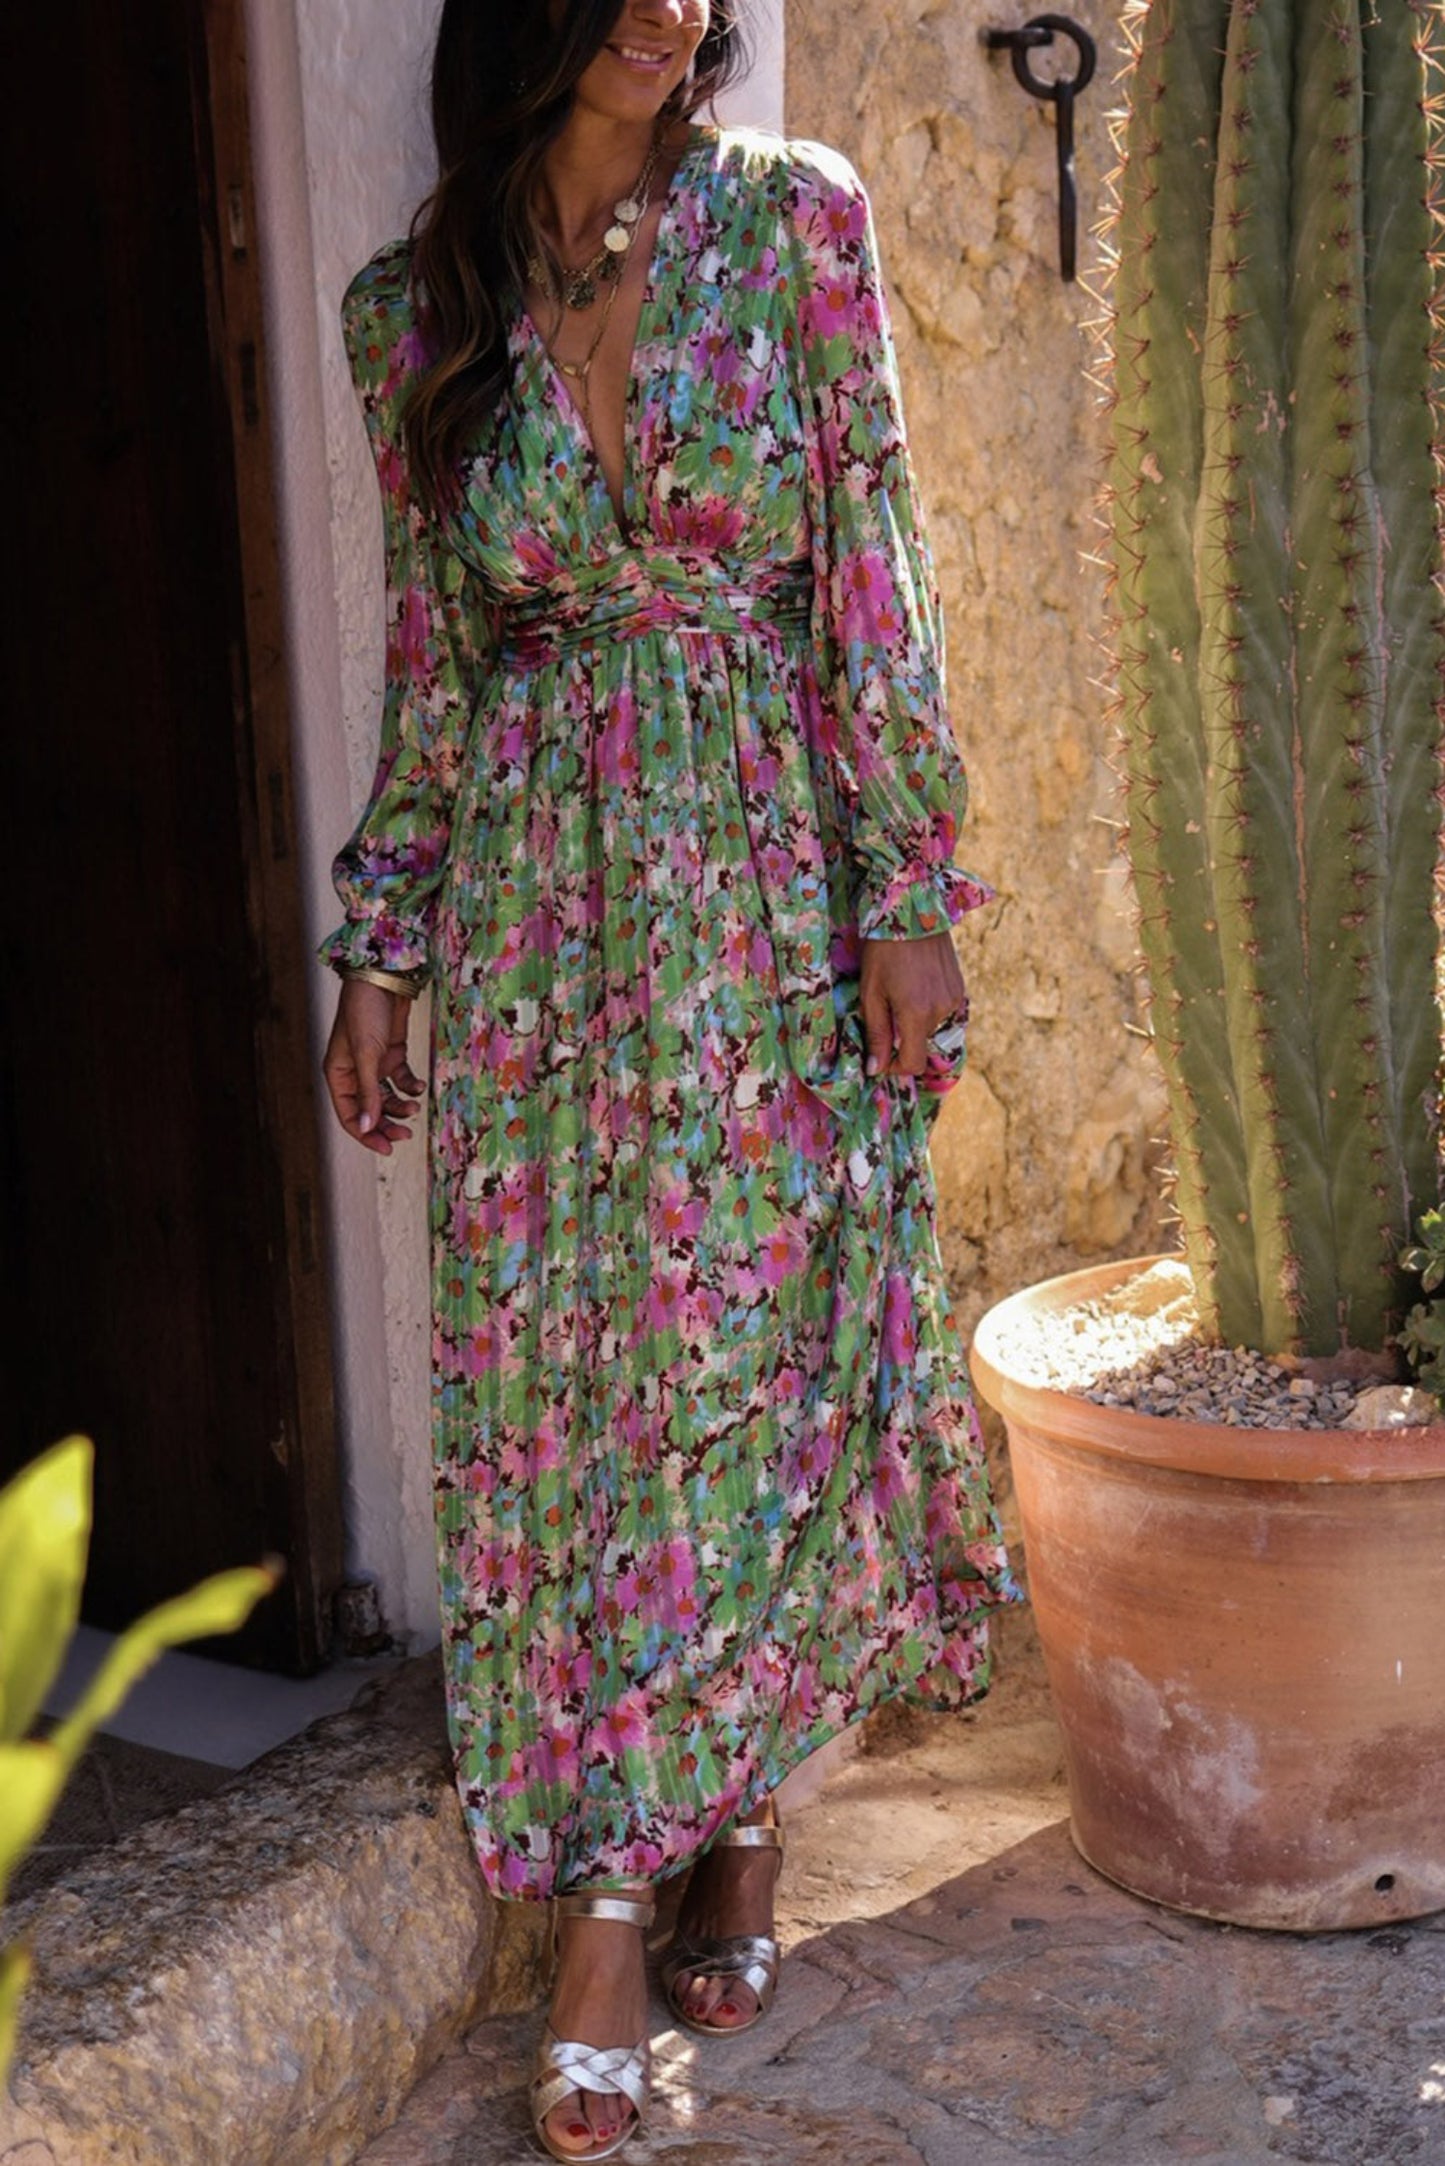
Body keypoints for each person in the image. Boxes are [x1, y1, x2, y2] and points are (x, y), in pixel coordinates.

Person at [320, 1, 1022, 2156]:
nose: (668, 1)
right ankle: (629, 1887)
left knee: (760, 1369)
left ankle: (706, 1842)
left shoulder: (792, 224)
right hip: (545, 928)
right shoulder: (413, 307)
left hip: (766, 896)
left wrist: (908, 886)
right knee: (578, 1402)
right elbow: (436, 663)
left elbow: (870, 572)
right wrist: (385, 944)